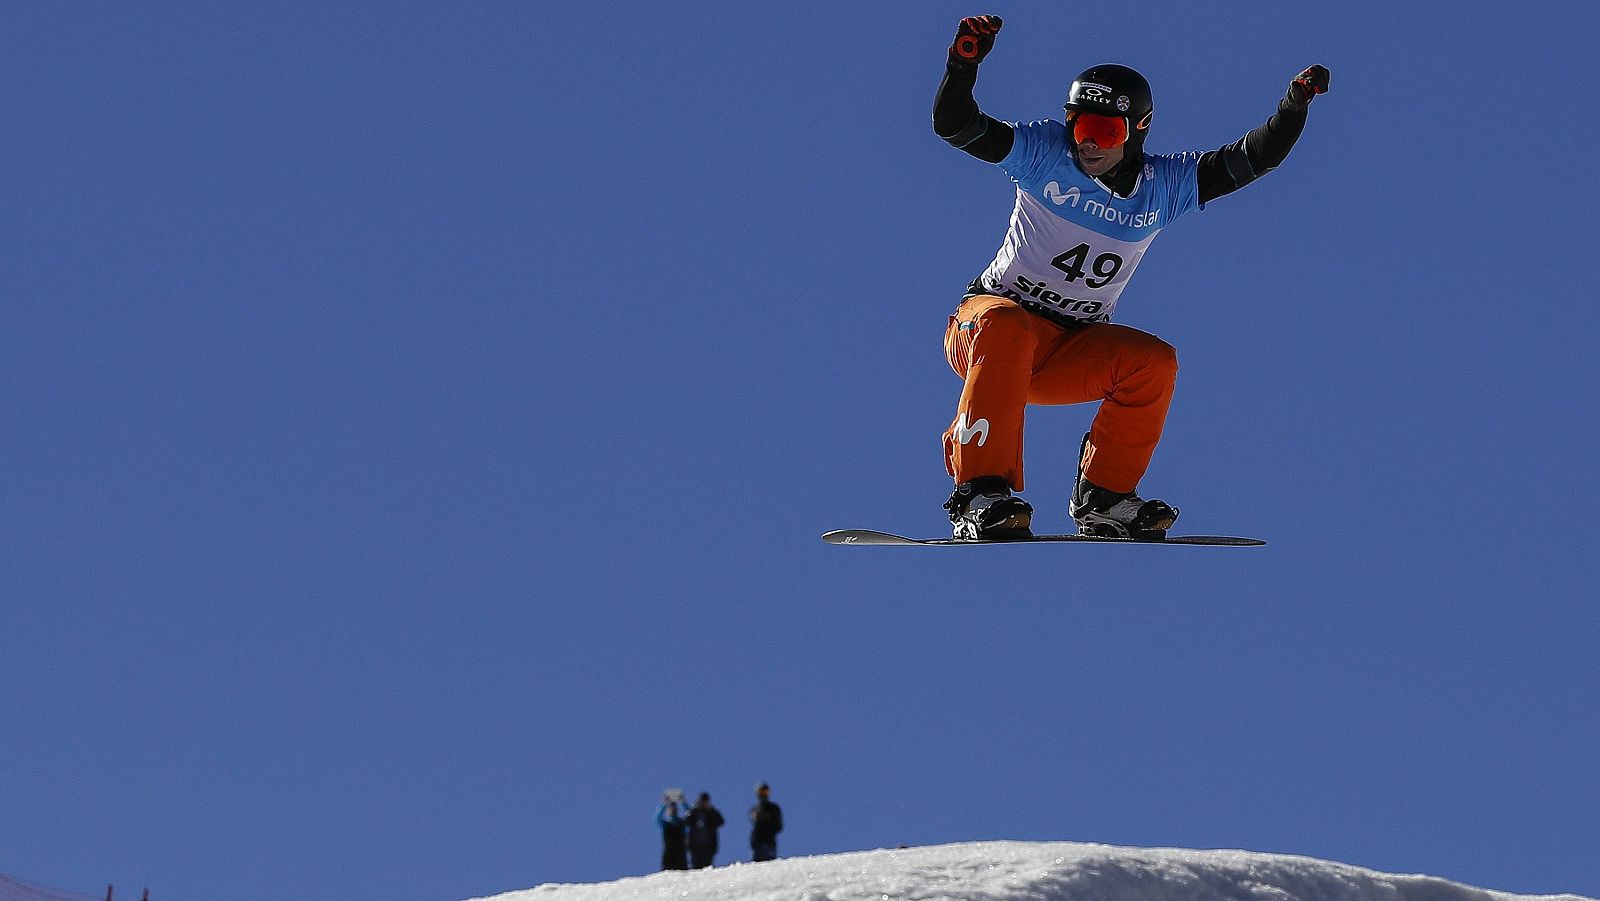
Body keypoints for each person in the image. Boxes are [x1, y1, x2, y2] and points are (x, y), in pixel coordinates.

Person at [933, 15, 1330, 540]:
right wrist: (963, 64)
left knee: (1153, 363)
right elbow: (956, 125)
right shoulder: (1044, 153)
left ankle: (1104, 497)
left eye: (1105, 131)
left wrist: (1293, 106)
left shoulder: (1163, 187)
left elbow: (1254, 158)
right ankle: (978, 494)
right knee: (1007, 325)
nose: (1088, 145)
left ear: (1138, 130)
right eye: (1080, 128)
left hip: (1067, 351)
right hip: (988, 330)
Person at [685, 792, 726, 869]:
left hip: (708, 845)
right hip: (695, 844)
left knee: (707, 867)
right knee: (695, 867)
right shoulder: (694, 812)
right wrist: (693, 809)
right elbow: (686, 821)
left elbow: (721, 822)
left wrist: (712, 810)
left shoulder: (711, 812)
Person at [654, 791, 689, 871]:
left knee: (683, 873)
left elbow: (691, 815)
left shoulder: (682, 823)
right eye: (670, 808)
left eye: (674, 808)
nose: (673, 810)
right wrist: (663, 804)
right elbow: (657, 818)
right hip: (668, 852)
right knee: (666, 874)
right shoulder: (666, 823)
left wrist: (683, 802)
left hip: (680, 852)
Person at [748, 782, 783, 862]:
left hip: (769, 841)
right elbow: (754, 822)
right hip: (757, 842)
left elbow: (779, 826)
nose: (763, 795)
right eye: (761, 792)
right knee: (757, 865)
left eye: (765, 792)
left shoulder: (774, 808)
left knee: (768, 863)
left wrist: (768, 820)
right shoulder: (754, 810)